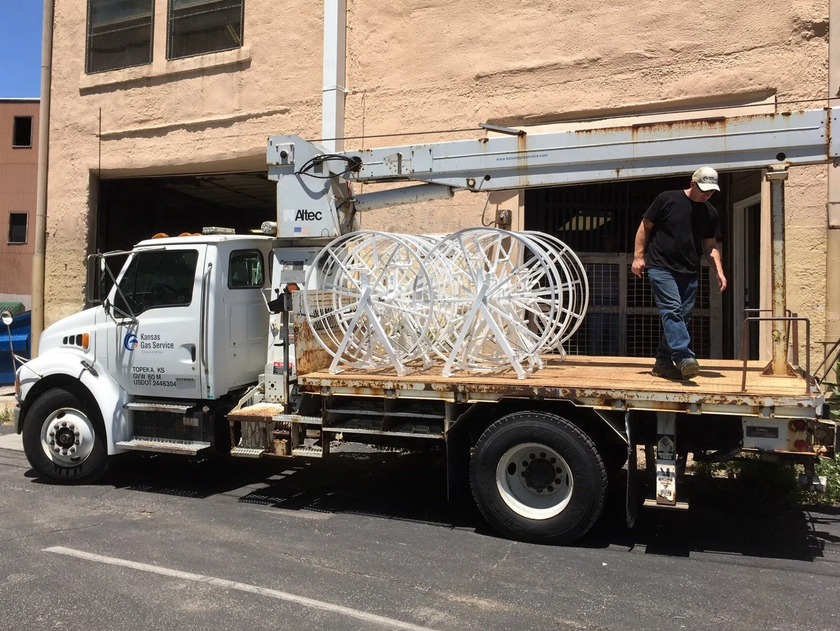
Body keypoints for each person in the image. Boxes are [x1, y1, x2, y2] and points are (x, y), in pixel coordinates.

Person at [631, 167, 727, 380]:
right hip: (661, 267)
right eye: (704, 189)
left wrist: (719, 271)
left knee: (683, 316)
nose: (707, 194)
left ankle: (664, 363)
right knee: (672, 310)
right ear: (693, 183)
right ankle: (684, 357)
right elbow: (645, 226)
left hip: (688, 270)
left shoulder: (710, 212)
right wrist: (639, 257)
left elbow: (710, 245)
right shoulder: (667, 199)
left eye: (711, 191)